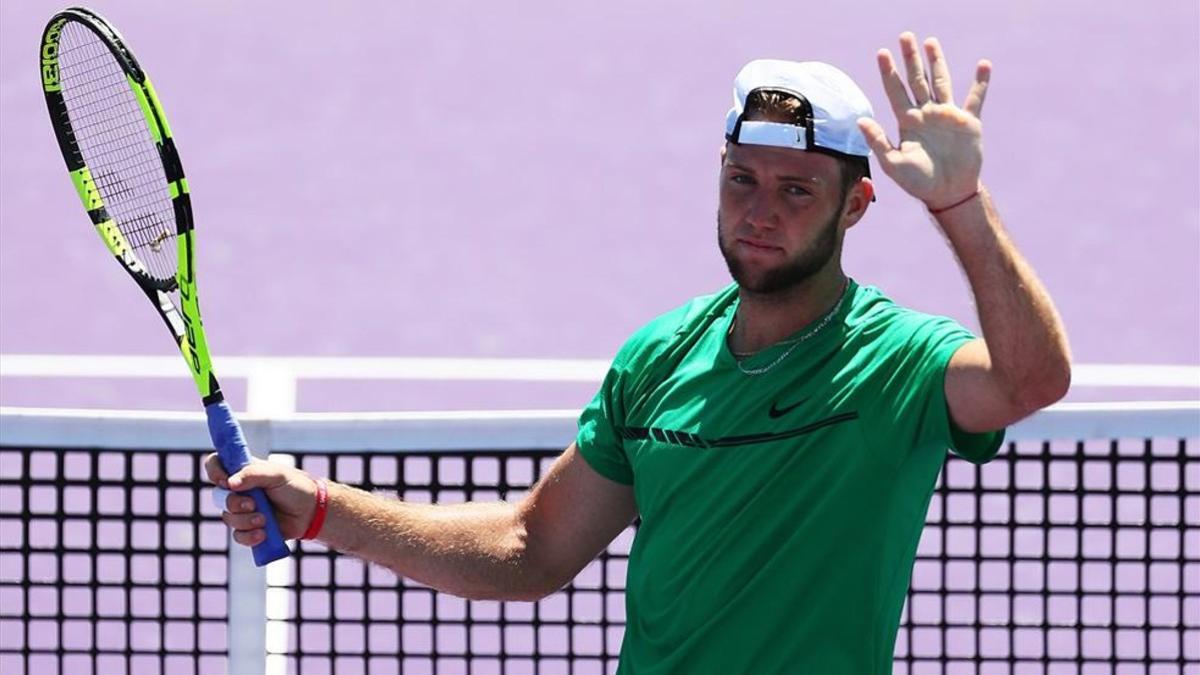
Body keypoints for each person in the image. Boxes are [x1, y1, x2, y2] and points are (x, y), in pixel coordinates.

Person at [206, 33, 1070, 673]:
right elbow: (529, 545)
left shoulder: (898, 363)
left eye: (796, 190)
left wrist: (961, 205)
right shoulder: (659, 359)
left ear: (855, 208)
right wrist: (320, 507)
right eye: (742, 180)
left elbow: (1030, 378)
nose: (760, 211)